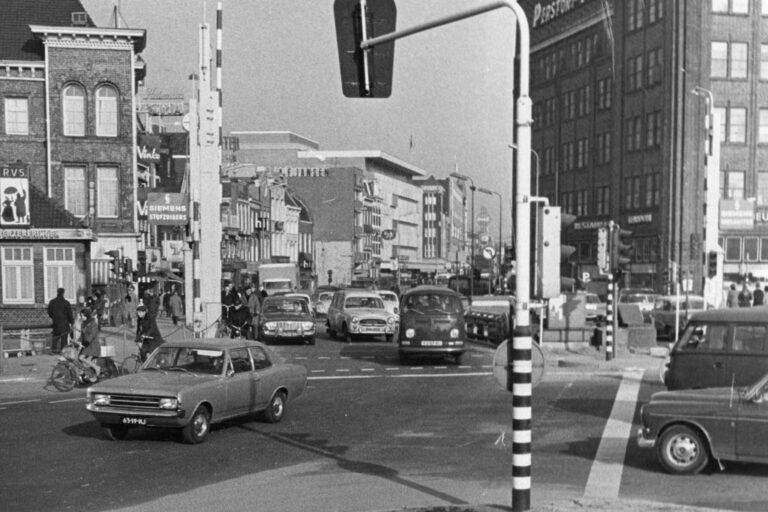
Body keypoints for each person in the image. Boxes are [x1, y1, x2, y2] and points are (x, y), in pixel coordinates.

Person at [47, 288, 74, 354]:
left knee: (55, 337)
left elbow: (49, 312)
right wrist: (72, 322)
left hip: (56, 323)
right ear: (63, 293)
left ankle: (54, 350)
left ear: (57, 292)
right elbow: (70, 314)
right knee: (64, 339)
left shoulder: (52, 302)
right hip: (65, 324)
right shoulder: (66, 303)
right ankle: (62, 351)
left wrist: (54, 317)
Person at [77, 308, 102, 379]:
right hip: (87, 346)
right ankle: (86, 374)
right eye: (81, 316)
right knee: (80, 359)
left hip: (93, 346)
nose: (81, 317)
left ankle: (97, 368)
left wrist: (86, 342)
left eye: (82, 315)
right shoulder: (83, 323)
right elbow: (82, 335)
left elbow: (92, 334)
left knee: (81, 357)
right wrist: (77, 341)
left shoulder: (93, 323)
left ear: (87, 315)